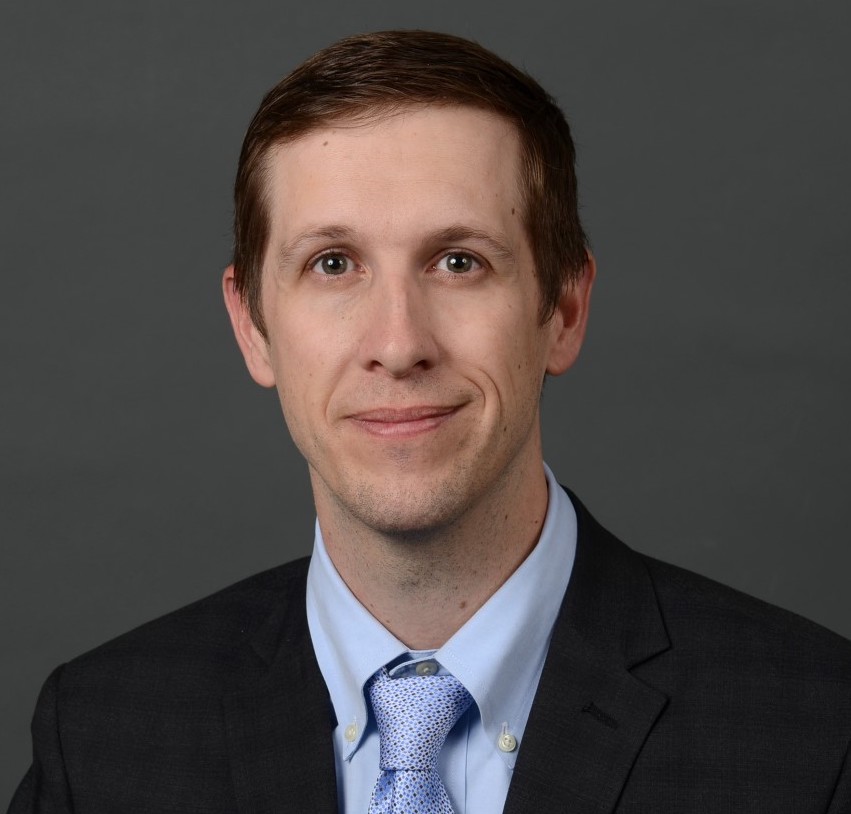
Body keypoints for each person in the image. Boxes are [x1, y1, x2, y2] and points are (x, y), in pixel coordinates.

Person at [9, 29, 851, 814]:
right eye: (332, 264)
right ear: (252, 327)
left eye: (459, 262)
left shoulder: (816, 734)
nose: (398, 343)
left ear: (562, 306)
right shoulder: (100, 741)